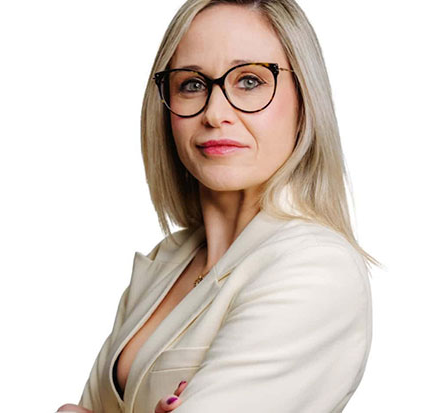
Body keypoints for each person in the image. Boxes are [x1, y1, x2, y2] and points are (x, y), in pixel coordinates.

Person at [57, 0, 380, 412]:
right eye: (192, 85)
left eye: (249, 81)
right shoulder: (166, 261)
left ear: (305, 100)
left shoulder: (316, 268)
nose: (214, 113)